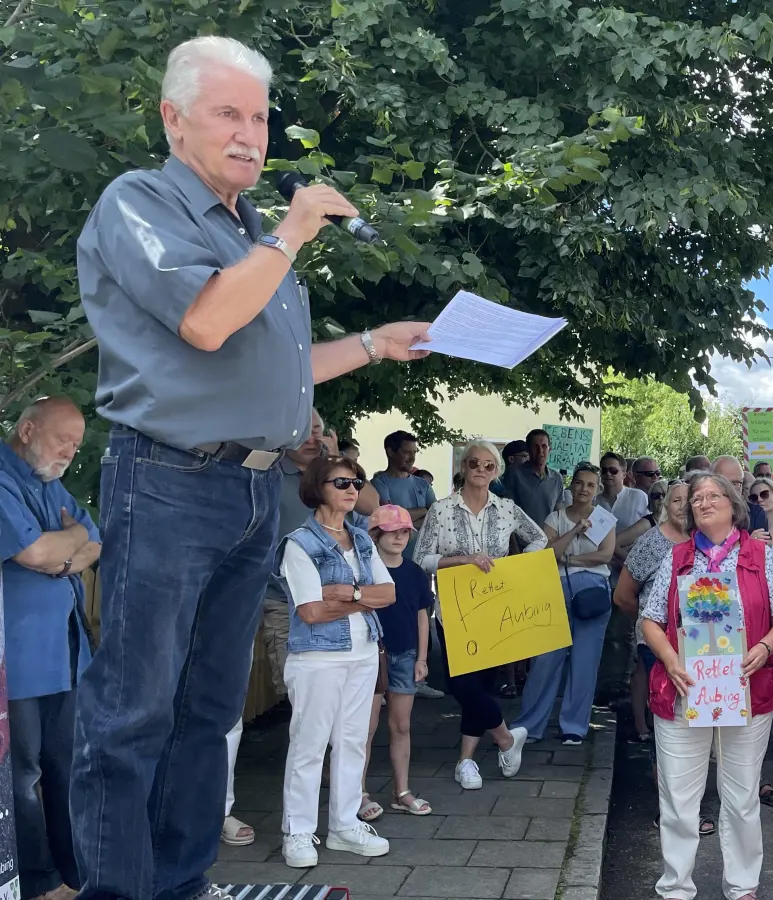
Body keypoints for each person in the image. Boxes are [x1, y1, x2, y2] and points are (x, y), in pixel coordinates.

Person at [71, 35, 433, 900]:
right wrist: (295, 231)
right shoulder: (140, 203)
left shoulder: (251, 235)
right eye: (228, 113)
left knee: (206, 715)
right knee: (131, 716)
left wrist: (377, 346)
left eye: (261, 116)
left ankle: (184, 881)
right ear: (173, 118)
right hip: (164, 482)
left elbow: (277, 365)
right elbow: (205, 322)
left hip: (250, 490)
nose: (250, 134)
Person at [640, 472, 773, 900]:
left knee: (742, 793)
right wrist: (671, 660)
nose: (705, 502)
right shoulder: (676, 558)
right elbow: (650, 620)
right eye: (697, 498)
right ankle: (675, 885)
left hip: (745, 690)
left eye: (714, 496)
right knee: (677, 794)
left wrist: (765, 648)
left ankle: (742, 884)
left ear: (733, 505)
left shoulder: (760, 556)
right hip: (684, 689)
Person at [277, 454, 397, 866]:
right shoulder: (299, 543)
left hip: (363, 654)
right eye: (342, 482)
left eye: (357, 482)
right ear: (318, 487)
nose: (352, 490)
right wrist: (366, 598)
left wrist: (349, 594)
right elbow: (309, 611)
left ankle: (345, 826)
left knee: (351, 743)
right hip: (318, 658)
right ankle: (298, 832)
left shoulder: (363, 538)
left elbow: (389, 593)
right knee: (309, 745)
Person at [0, 398, 98, 900]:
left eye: (76, 445)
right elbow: (33, 551)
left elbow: (95, 542)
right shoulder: (1, 477)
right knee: (21, 777)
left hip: (64, 652)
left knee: (68, 767)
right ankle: (38, 883)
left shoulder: (49, 483)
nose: (70, 453)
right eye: (64, 440)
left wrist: (72, 538)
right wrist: (66, 545)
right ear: (28, 428)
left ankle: (75, 874)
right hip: (14, 658)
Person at [414, 441, 545, 788]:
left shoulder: (506, 509)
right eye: (474, 462)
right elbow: (421, 558)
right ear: (463, 466)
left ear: (497, 471)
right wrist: (459, 561)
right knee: (461, 683)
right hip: (453, 609)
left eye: (489, 465)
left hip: (494, 608)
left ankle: (466, 762)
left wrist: (512, 567)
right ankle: (505, 738)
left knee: (483, 684)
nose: (481, 470)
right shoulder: (441, 510)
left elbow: (539, 539)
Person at [516, 462, 616, 744]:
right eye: (580, 483)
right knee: (545, 660)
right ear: (571, 486)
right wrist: (573, 533)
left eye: (591, 485)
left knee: (585, 661)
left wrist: (570, 559)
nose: (584, 489)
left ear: (596, 490)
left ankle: (574, 726)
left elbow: (605, 555)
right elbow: (547, 553)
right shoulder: (555, 517)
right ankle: (530, 725)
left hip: (592, 593)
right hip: (554, 591)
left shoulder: (605, 519)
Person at [366, 505, 433, 816]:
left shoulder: (415, 573)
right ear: (376, 534)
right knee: (364, 728)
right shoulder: (364, 570)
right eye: (392, 531)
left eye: (404, 531)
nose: (399, 537)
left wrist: (422, 658)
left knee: (401, 725)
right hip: (369, 654)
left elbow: (422, 617)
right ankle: (359, 793)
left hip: (405, 655)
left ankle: (401, 791)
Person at [616, 480, 691, 744]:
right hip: (655, 637)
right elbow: (623, 596)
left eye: (688, 499)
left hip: (694, 638)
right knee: (667, 702)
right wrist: (651, 620)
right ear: (666, 505)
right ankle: (661, 766)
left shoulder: (704, 540)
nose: (682, 506)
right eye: (676, 500)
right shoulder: (650, 542)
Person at [371, 430, 436, 559]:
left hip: (422, 560)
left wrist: (402, 521)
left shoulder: (423, 484)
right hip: (389, 560)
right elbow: (390, 518)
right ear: (390, 452)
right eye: (406, 452)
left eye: (414, 453)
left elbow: (436, 518)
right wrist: (424, 510)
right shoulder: (378, 483)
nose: (412, 458)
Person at [502, 428, 566, 526]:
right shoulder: (514, 474)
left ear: (549, 449)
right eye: (535, 447)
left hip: (548, 538)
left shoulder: (557, 478)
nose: (540, 451)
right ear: (528, 450)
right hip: (521, 539)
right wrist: (512, 540)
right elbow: (507, 510)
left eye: (544, 446)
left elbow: (558, 513)